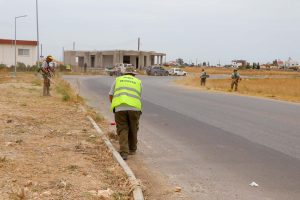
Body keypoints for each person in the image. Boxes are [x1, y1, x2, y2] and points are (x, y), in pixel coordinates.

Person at [109, 67, 142, 160]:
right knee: (133, 128)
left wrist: (115, 105)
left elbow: (111, 94)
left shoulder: (118, 80)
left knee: (123, 129)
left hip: (120, 108)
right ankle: (132, 149)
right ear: (134, 74)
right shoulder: (138, 81)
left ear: (124, 74)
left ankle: (124, 153)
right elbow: (139, 95)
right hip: (135, 108)